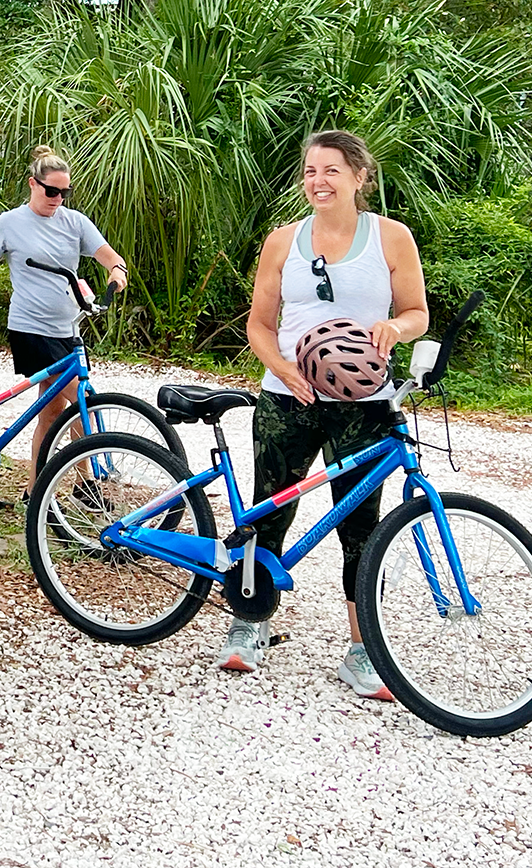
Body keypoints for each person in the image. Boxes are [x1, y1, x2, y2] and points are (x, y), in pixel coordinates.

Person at [224, 128, 430, 698]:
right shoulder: (282, 241)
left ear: (360, 177)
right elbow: (259, 325)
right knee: (267, 511)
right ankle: (250, 623)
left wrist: (395, 327)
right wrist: (285, 370)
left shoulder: (391, 238)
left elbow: (418, 313)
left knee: (363, 527)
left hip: (362, 405)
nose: (318, 181)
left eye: (332, 171)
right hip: (287, 396)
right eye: (311, 171)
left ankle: (363, 651)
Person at [0, 146, 129, 468]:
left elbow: (109, 255)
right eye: (52, 191)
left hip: (68, 329)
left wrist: (117, 271)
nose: (58, 198)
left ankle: (35, 488)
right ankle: (90, 477)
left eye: (65, 192)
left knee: (52, 413)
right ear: (33, 184)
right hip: (30, 330)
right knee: (82, 401)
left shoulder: (75, 222)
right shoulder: (10, 223)